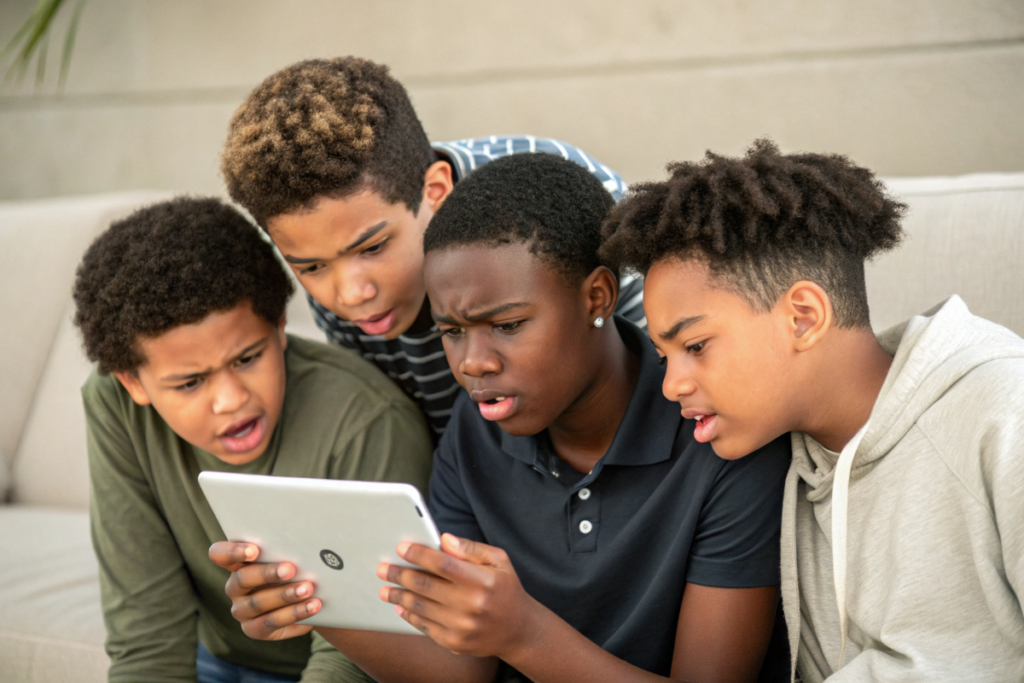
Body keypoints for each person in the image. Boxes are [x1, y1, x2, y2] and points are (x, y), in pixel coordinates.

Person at [210, 154, 792, 683]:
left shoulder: (719, 433)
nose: (473, 363)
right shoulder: (474, 434)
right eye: (452, 332)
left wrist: (525, 633)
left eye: (508, 325)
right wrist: (316, 602)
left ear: (597, 298)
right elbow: (463, 674)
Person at [598, 139, 1024, 681]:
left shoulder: (1004, 414)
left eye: (696, 346)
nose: (672, 385)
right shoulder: (772, 460)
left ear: (802, 316)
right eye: (664, 356)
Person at [73, 197, 433, 683]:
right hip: (216, 660)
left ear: (280, 328)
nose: (230, 399)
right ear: (134, 383)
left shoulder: (368, 421)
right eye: (190, 382)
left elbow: (356, 656)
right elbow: (147, 638)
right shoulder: (113, 405)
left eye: (246, 358)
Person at [220, 56, 645, 440]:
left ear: (436, 190)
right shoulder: (341, 290)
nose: (350, 294)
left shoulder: (563, 193)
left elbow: (667, 369)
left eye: (372, 248)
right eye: (311, 267)